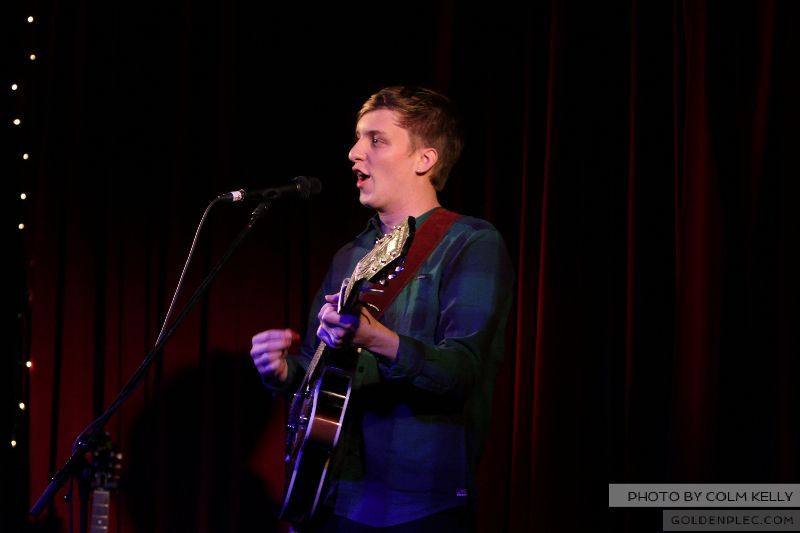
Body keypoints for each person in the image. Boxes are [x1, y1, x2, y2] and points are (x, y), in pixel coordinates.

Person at [250, 86, 514, 531]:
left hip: (419, 507)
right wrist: (283, 373)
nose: (354, 153)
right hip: (333, 498)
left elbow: (462, 373)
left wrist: (377, 338)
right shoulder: (349, 256)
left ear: (424, 160)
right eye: (357, 138)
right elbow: (322, 378)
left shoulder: (470, 243)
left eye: (376, 139)